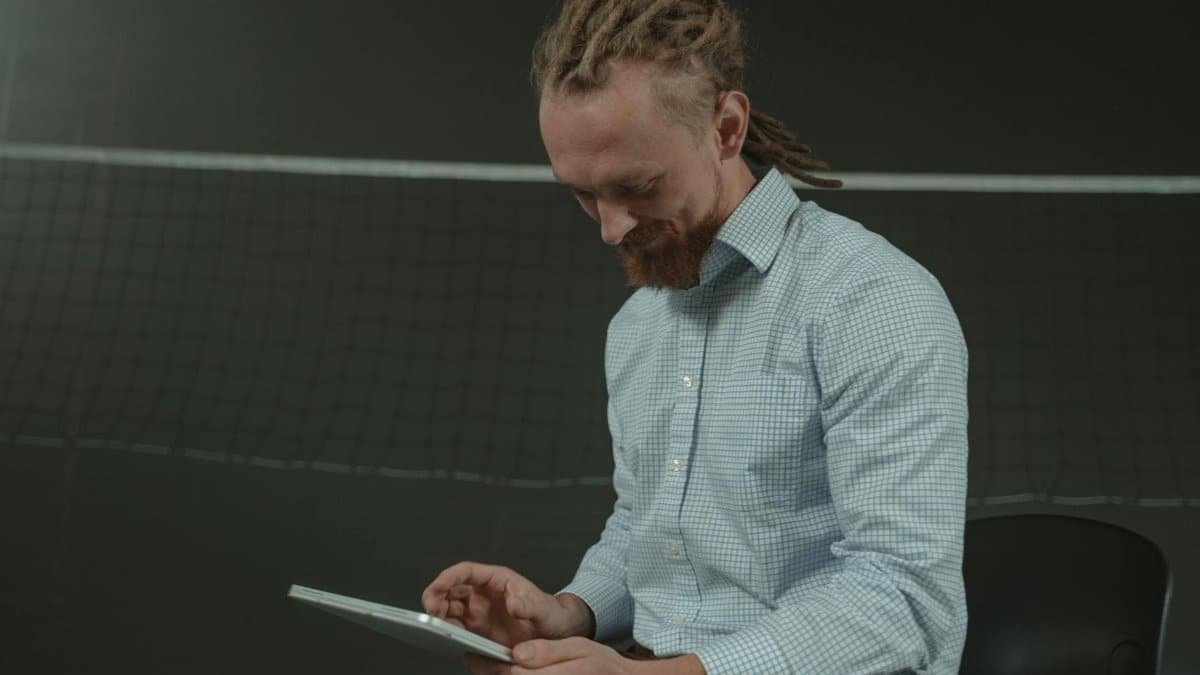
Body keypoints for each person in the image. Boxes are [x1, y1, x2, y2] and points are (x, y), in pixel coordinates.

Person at [422, 1, 969, 672]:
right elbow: (649, 532)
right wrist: (570, 611)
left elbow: (904, 597)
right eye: (581, 193)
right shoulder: (637, 326)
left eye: (637, 186)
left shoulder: (873, 302)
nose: (610, 228)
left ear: (727, 128)